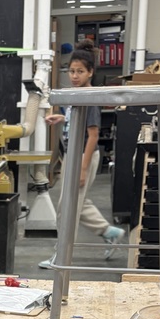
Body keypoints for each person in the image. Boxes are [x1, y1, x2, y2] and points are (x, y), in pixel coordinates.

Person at [39, 39, 125, 268]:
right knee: (77, 202)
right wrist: (63, 118)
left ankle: (62, 257)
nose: (74, 76)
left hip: (82, 157)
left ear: (90, 73)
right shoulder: (77, 96)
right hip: (72, 155)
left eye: (80, 72)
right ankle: (110, 232)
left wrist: (83, 169)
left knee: (67, 208)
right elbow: (79, 123)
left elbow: (93, 135)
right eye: (71, 71)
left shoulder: (90, 98)